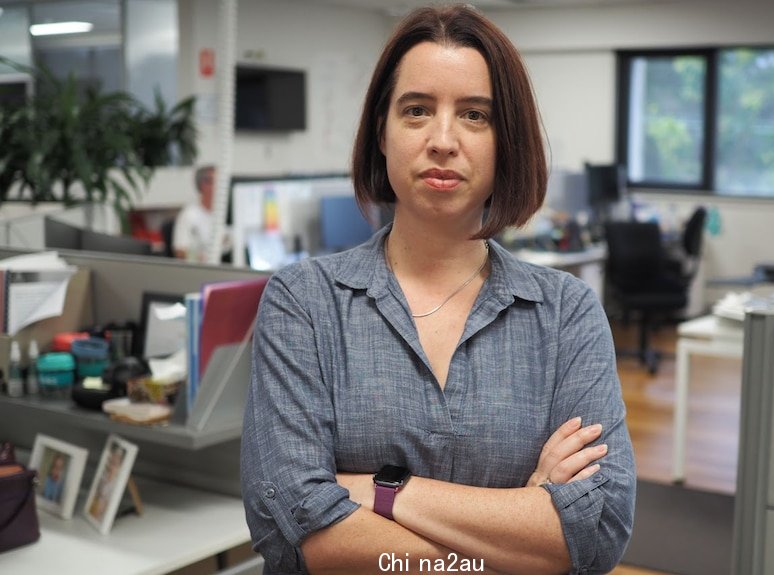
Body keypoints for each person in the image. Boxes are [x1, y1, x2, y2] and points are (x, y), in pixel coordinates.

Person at [241, 5, 635, 574]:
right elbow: (296, 531)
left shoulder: (565, 313)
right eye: (417, 110)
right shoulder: (304, 302)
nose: (443, 140)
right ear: (382, 131)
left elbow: (597, 533)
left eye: (475, 115)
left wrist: (385, 494)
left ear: (507, 143)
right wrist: (521, 525)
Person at [172, 165, 230, 262]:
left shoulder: (224, 214)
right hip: (202, 270)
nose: (222, 188)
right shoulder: (189, 215)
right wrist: (203, 259)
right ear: (204, 185)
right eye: (218, 183)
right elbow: (180, 252)